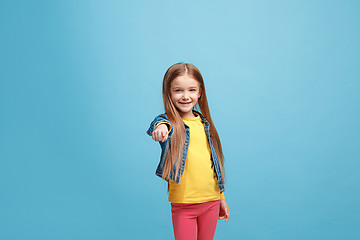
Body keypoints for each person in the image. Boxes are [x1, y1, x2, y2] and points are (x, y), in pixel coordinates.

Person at [146, 62, 230, 240]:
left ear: (200, 93)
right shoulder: (170, 124)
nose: (185, 96)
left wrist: (221, 196)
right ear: (168, 93)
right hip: (184, 204)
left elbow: (212, 163)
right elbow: (160, 123)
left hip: (211, 201)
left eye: (192, 90)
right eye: (178, 90)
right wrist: (160, 128)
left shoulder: (204, 124)